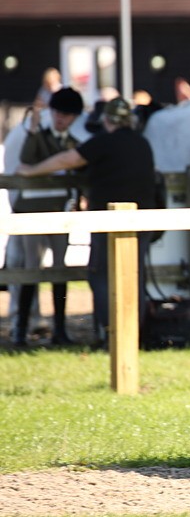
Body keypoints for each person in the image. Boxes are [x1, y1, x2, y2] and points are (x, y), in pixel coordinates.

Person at [16, 97, 156, 347]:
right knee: (134, 275)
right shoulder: (142, 143)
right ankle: (136, 335)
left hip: (107, 220)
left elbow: (67, 160)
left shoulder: (103, 142)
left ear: (106, 119)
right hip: (141, 220)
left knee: (100, 275)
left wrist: (30, 171)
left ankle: (110, 334)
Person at [10, 87, 85, 345]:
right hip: (32, 210)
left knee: (60, 269)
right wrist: (32, 130)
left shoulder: (73, 143)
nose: (60, 119)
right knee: (32, 267)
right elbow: (25, 159)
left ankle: (60, 328)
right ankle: (21, 327)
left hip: (59, 210)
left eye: (66, 115)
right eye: (57, 113)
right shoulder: (38, 136)